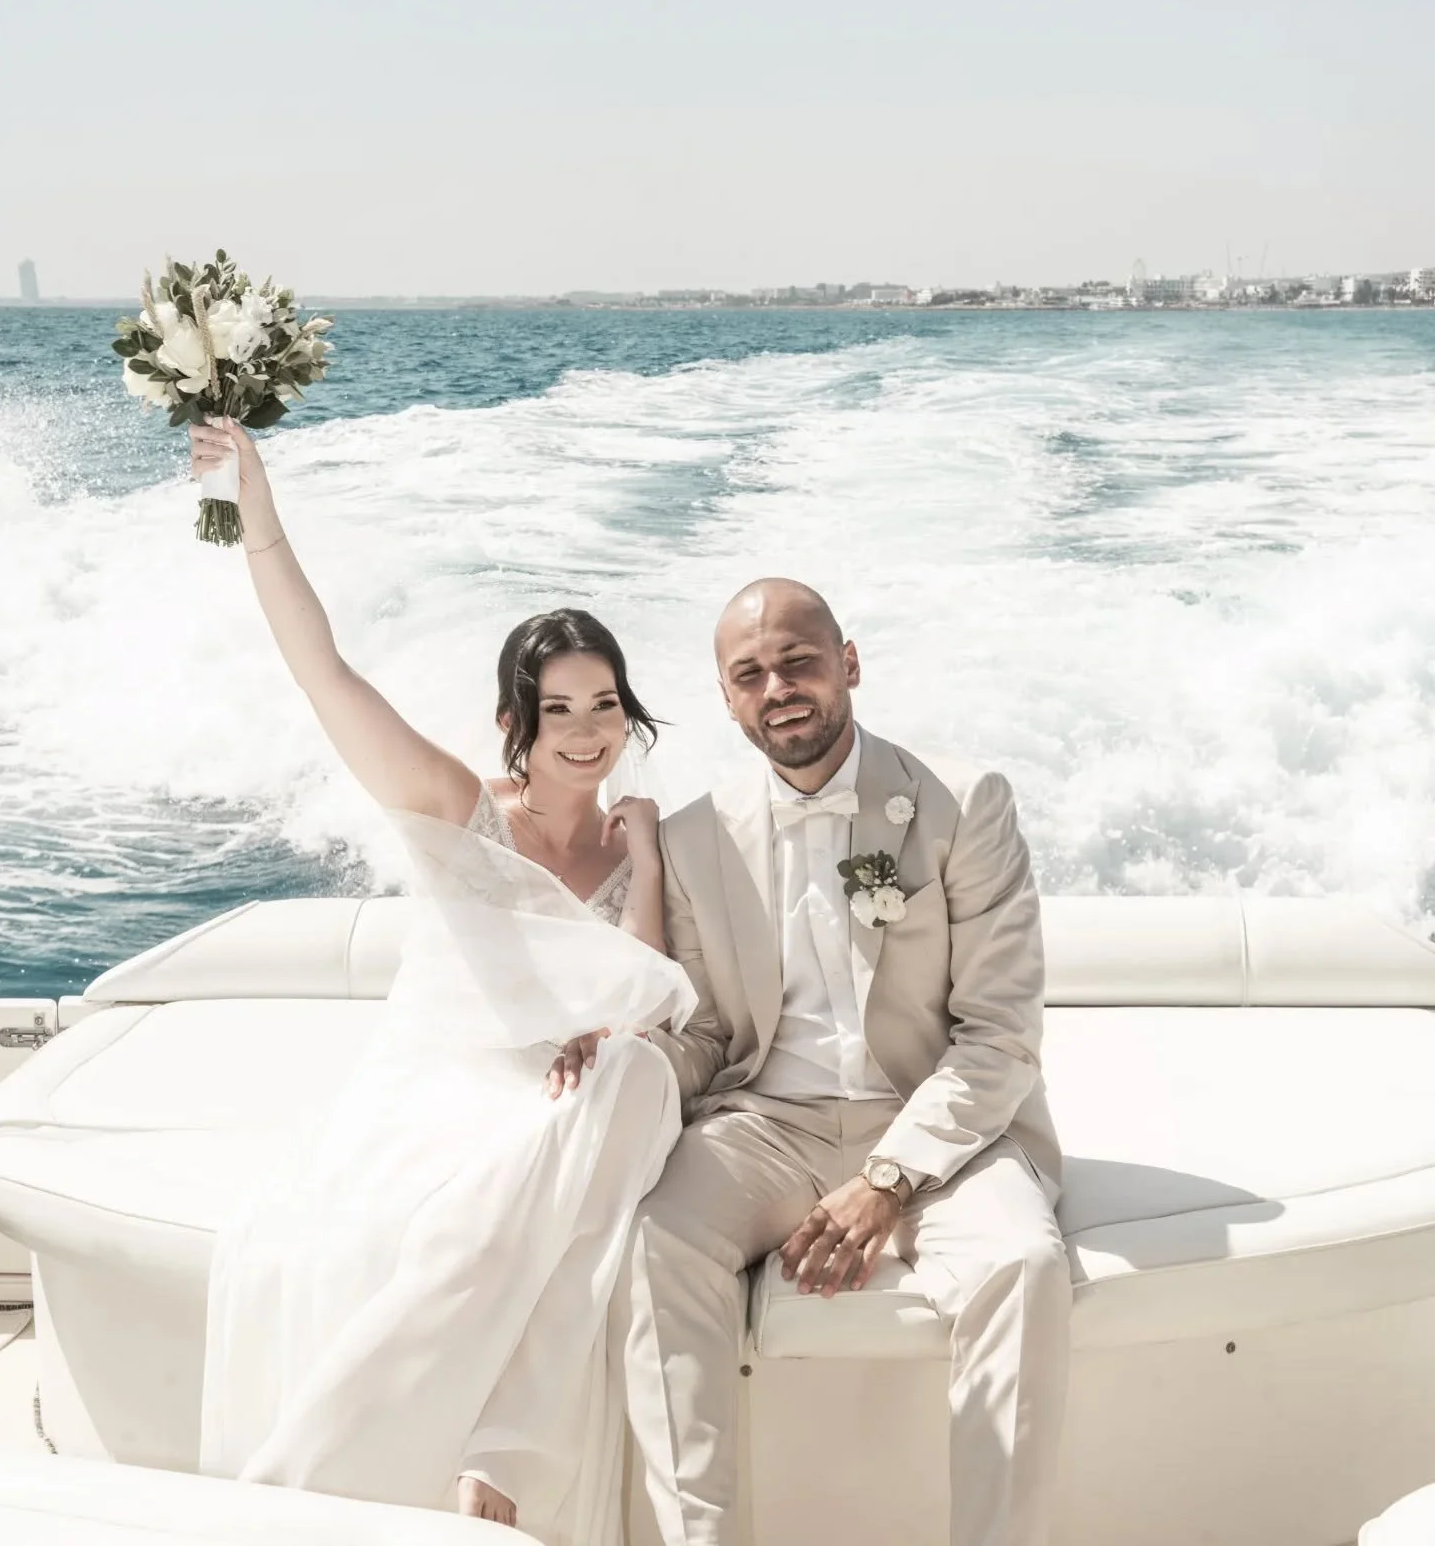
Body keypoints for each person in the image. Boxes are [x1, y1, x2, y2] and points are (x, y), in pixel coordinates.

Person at [187, 418, 694, 1544]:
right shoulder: (463, 811)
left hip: (575, 1091)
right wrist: (257, 510)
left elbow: (641, 996)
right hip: (449, 1081)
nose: (587, 732)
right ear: (514, 723)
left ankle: (490, 1456)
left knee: (636, 1079)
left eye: (605, 704)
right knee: (560, 1153)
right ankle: (321, 1479)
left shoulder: (638, 844)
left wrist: (650, 858)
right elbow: (325, 673)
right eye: (557, 709)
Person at [552, 577, 1071, 1546]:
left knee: (1024, 1263)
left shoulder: (964, 803)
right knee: (655, 1243)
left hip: (937, 1124)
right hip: (767, 1125)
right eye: (750, 674)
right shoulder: (696, 837)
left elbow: (1000, 1034)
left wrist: (888, 1181)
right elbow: (711, 1036)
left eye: (798, 662)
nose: (779, 689)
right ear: (727, 699)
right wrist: (626, 1052)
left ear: (849, 664)